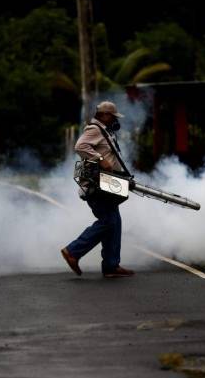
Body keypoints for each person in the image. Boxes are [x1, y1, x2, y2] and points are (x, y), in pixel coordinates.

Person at [61, 101, 135, 278]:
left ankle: (111, 265)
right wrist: (99, 158)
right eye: (113, 117)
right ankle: (73, 251)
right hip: (98, 183)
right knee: (108, 221)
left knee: (114, 222)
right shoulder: (95, 129)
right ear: (106, 115)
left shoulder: (105, 131)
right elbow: (80, 146)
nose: (115, 121)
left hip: (108, 183)